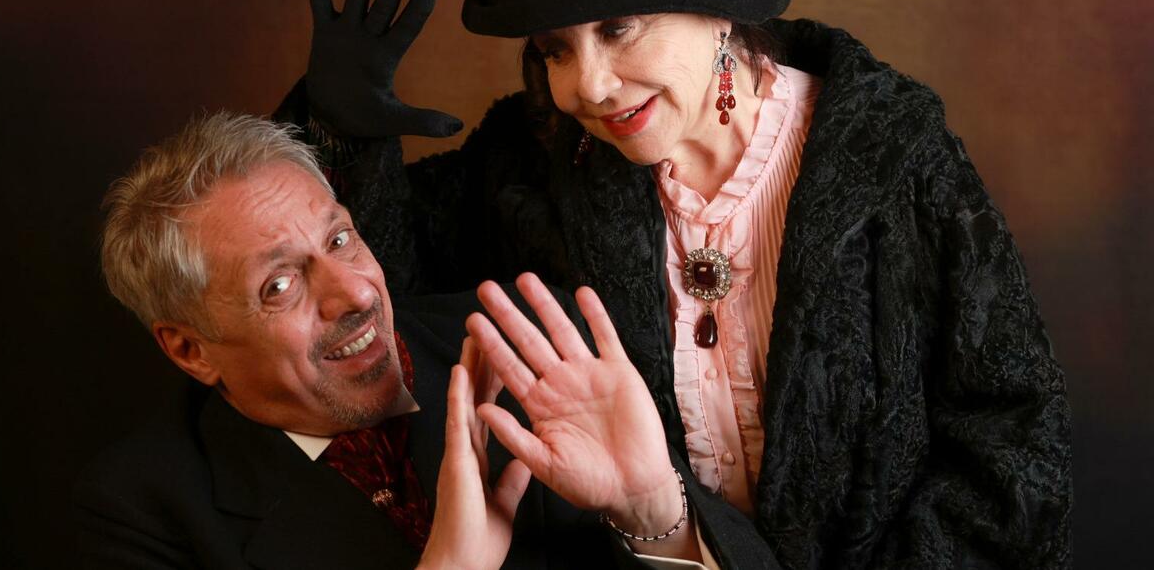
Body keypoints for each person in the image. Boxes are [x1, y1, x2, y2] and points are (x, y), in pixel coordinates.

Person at [279, 0, 1073, 569]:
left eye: (618, 28)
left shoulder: (893, 157)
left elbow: (1012, 441)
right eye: (555, 49)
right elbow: (390, 292)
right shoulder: (535, 159)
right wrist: (346, 131)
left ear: (717, 8)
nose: (588, 84)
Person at [75, 111, 783, 569]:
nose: (357, 294)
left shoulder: (538, 343)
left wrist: (656, 512)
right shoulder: (142, 514)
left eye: (339, 239)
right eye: (280, 284)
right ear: (190, 350)